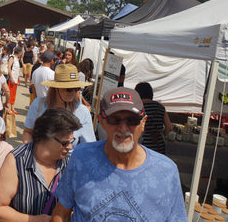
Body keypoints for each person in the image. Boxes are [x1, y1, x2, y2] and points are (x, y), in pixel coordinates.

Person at [51, 87, 187, 222]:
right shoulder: (82, 157)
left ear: (143, 122)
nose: (123, 128)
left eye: (132, 120)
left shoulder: (166, 171)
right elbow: (61, 213)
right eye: (114, 120)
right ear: (101, 121)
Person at [0, 108, 82, 221]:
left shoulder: (69, 163)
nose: (70, 147)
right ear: (46, 138)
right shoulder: (17, 161)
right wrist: (33, 220)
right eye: (65, 143)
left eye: (71, 141)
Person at [22, 64, 95, 146]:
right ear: (56, 88)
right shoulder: (38, 104)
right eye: (69, 89)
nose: (73, 93)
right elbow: (28, 132)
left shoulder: (83, 112)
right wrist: (32, 154)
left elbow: (89, 146)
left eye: (76, 89)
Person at [135, 82, 172, 154]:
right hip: (158, 145)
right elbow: (169, 127)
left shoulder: (137, 107)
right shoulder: (160, 107)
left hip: (142, 145)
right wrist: (161, 135)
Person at [6, 46, 22, 114]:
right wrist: (11, 78)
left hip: (15, 78)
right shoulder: (12, 58)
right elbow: (9, 68)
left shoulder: (17, 59)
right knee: (10, 93)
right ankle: (8, 107)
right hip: (11, 78)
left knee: (14, 93)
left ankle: (12, 107)